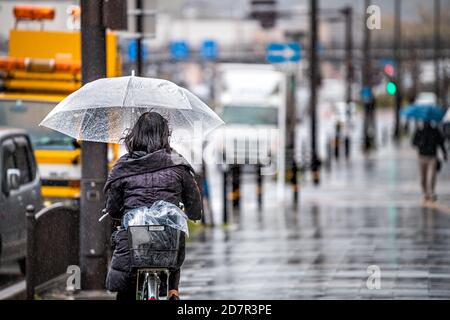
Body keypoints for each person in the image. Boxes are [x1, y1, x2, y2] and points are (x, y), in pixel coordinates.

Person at [103, 112, 202, 300]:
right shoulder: (176, 162)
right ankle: (173, 290)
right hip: (167, 238)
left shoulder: (123, 165)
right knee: (173, 239)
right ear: (164, 135)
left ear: (136, 134)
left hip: (136, 236)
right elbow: (193, 199)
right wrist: (194, 213)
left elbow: (114, 208)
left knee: (126, 286)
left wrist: (117, 211)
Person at [412, 121, 447, 202]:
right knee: (423, 177)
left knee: (431, 176)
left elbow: (441, 142)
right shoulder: (419, 131)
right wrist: (420, 143)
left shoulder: (435, 131)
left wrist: (444, 153)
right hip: (422, 156)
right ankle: (425, 192)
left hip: (432, 157)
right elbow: (413, 142)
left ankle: (431, 192)